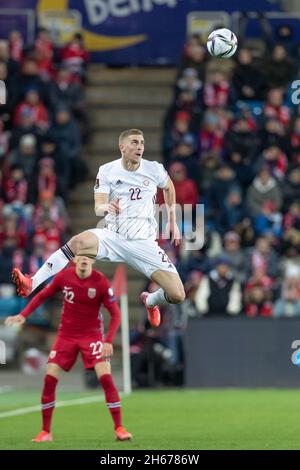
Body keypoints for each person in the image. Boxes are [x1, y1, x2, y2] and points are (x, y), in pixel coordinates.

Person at [12, 129, 186, 328]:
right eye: (135, 142)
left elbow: (169, 186)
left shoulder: (154, 169)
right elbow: (98, 205)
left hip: (144, 242)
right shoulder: (107, 170)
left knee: (177, 294)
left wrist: (172, 219)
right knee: (77, 242)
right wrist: (107, 206)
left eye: (142, 143)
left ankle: (150, 300)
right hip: (113, 236)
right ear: (122, 147)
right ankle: (31, 283)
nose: (140, 147)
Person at [5, 255, 132, 442]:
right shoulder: (64, 277)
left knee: (105, 377)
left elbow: (116, 314)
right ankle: (45, 432)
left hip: (92, 335)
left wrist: (108, 341)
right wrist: (23, 314)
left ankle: (119, 428)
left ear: (93, 260)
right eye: (80, 255)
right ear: (75, 259)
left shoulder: (100, 282)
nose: (84, 259)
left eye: (88, 257)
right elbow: (42, 295)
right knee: (49, 378)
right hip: (67, 335)